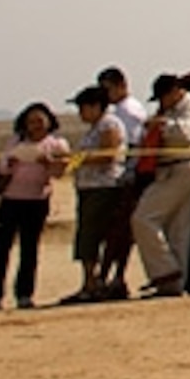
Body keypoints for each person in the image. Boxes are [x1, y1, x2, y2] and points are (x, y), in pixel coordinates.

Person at [129, 73, 190, 299]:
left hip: (183, 167)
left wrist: (161, 126)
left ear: (175, 92)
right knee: (177, 228)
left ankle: (165, 271)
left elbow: (185, 134)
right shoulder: (169, 111)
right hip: (167, 168)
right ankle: (173, 284)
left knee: (143, 218)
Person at [0, 102, 71, 310]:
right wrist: (12, 161)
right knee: (1, 249)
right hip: (11, 199)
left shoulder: (57, 144)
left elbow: (60, 173)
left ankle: (24, 294)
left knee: (29, 249)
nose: (36, 125)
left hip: (37, 200)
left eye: (40, 120)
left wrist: (47, 162)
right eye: (32, 121)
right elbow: (2, 168)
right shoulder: (15, 141)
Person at [61, 86, 132, 303]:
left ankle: (97, 281)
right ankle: (90, 281)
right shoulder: (93, 128)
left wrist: (78, 160)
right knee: (87, 235)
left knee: (93, 234)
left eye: (83, 108)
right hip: (89, 187)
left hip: (104, 187)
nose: (81, 113)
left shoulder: (109, 125)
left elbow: (107, 155)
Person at [95, 67, 152, 300]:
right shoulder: (128, 110)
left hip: (126, 176)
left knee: (118, 232)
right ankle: (112, 277)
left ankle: (111, 277)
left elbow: (129, 144)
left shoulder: (125, 112)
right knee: (119, 232)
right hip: (127, 175)